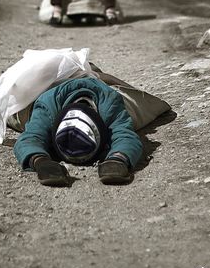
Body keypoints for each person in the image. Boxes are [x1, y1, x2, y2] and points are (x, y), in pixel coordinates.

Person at [13, 76, 143, 186]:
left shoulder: (109, 104)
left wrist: (117, 160)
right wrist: (40, 161)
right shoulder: (47, 107)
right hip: (55, 82)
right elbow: (30, 137)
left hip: (90, 78)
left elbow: (124, 134)